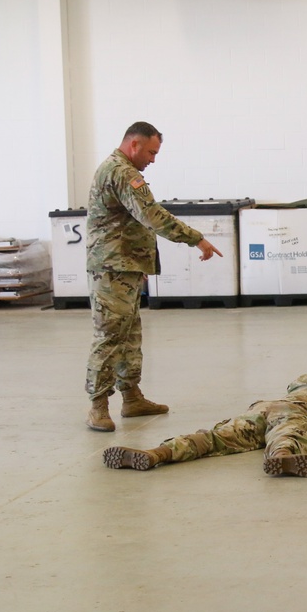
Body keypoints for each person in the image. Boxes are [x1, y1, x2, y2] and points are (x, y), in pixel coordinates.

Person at [85, 122, 223, 433]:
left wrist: (139, 267)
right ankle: (97, 405)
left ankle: (132, 397)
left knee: (129, 336)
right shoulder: (122, 172)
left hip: (125, 267)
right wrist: (195, 238)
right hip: (112, 268)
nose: (153, 159)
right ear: (134, 144)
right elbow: (152, 215)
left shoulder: (119, 169)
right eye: (151, 151)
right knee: (109, 336)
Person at [103, 354, 307, 478]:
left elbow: (293, 388)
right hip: (299, 412)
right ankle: (281, 458)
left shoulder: (306, 377)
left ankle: (157, 453)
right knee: (291, 434)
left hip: (264, 406)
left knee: (215, 437)